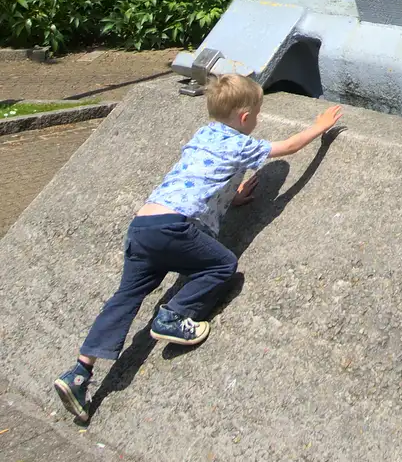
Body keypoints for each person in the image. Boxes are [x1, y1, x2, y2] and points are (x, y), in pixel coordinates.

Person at [53, 73, 341, 425]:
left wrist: (232, 198)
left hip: (144, 224)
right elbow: (290, 147)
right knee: (222, 264)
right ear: (246, 118)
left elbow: (201, 176)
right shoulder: (240, 142)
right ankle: (173, 315)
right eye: (258, 115)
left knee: (125, 298)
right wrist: (319, 127)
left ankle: (80, 374)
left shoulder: (203, 135)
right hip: (176, 227)